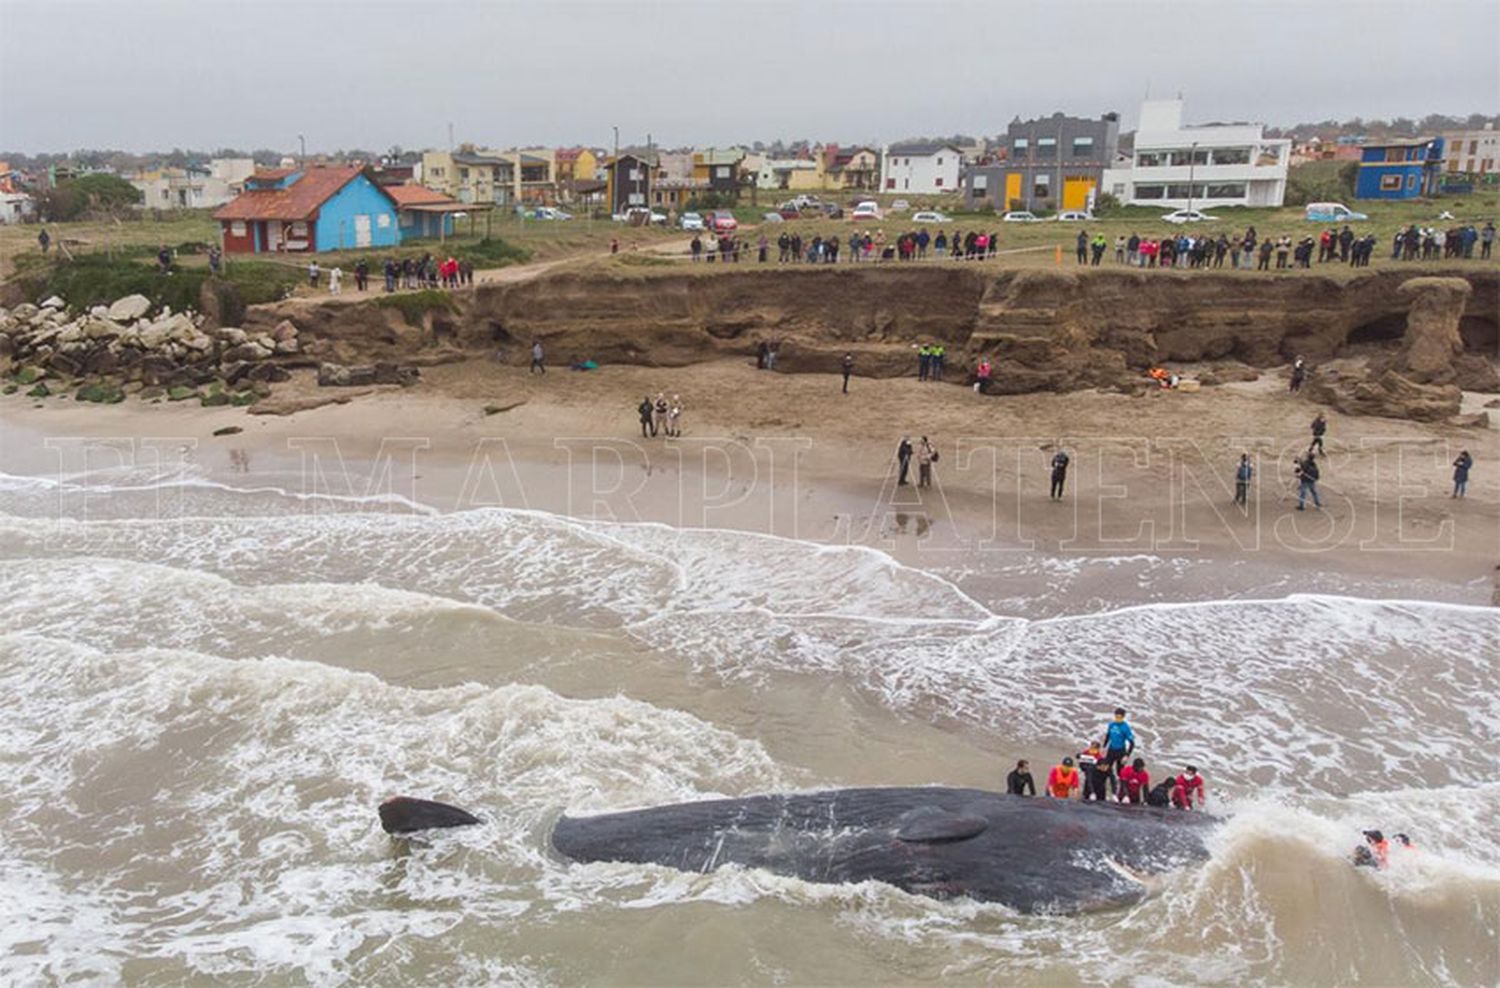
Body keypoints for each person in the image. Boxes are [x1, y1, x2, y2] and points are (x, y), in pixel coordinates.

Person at [1102, 708, 1135, 776]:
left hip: (1121, 751)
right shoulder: (1111, 725)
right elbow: (1108, 736)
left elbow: (1132, 743)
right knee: (1107, 768)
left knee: (1120, 771)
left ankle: (1120, 784)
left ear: (1123, 717)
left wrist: (1127, 755)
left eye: (1120, 717)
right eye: (1116, 717)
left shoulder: (1125, 727)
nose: (1118, 718)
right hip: (1111, 750)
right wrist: (1104, 747)